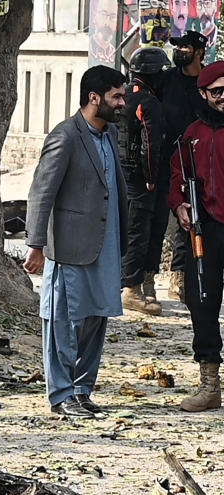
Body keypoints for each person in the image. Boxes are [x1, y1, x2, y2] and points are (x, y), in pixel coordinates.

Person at [24, 66, 128, 419]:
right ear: (94, 98)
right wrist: (36, 244)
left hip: (106, 245)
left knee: (97, 317)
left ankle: (82, 390)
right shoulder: (65, 136)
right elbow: (41, 193)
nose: (122, 102)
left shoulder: (110, 134)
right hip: (68, 247)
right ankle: (61, 395)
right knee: (62, 321)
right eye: (116, 96)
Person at [167, 61, 224, 412]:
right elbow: (177, 179)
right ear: (203, 94)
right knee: (202, 305)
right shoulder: (192, 135)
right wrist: (180, 207)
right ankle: (210, 384)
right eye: (217, 92)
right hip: (206, 232)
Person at [118, 48, 170, 316]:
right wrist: (151, 178)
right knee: (139, 233)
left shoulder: (120, 95)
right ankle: (132, 290)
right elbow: (151, 145)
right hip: (140, 179)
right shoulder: (149, 102)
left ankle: (125, 283)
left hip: (119, 173)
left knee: (122, 230)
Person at [162, 31, 208, 303]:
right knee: (163, 220)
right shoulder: (166, 80)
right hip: (166, 159)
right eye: (177, 46)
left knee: (193, 220)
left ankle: (186, 277)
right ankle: (159, 277)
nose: (179, 51)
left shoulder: (209, 83)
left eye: (185, 47)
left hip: (200, 160)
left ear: (200, 52)